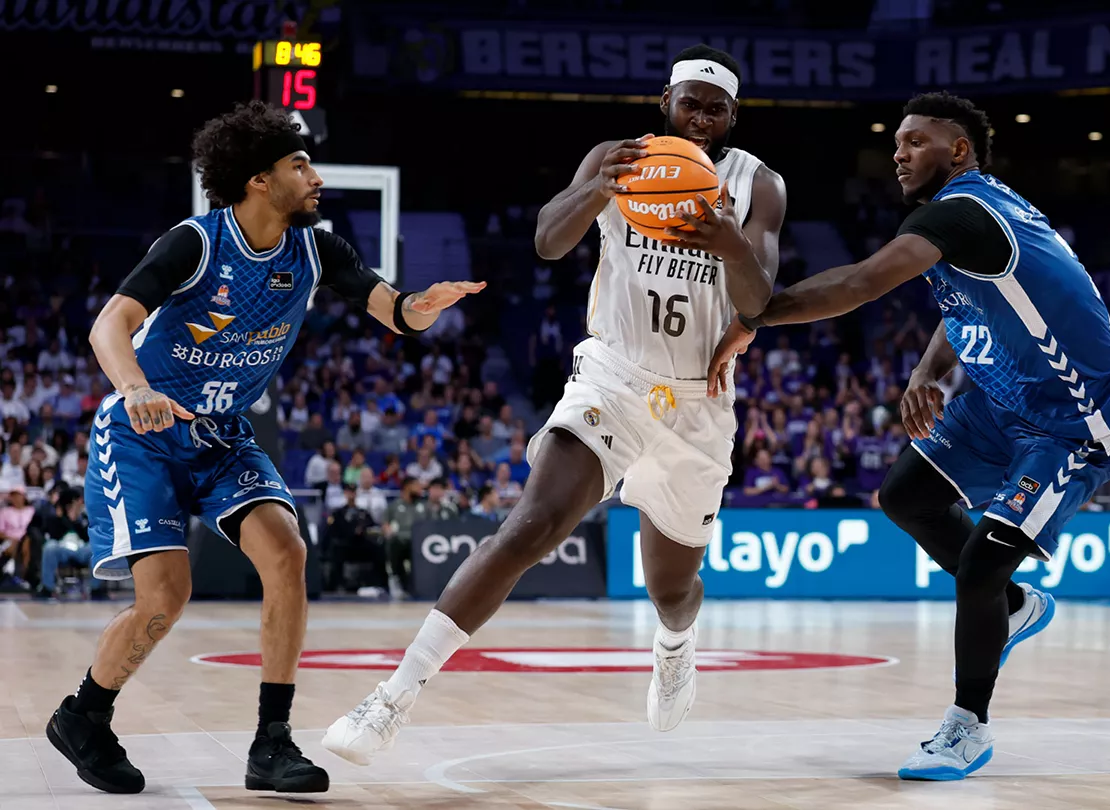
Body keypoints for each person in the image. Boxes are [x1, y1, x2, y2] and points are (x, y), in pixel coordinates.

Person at [323, 43, 788, 764]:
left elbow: (759, 305)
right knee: (529, 527)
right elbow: (546, 241)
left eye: (715, 106)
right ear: (663, 102)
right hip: (615, 378)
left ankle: (674, 646)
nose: (700, 116)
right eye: (689, 101)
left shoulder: (759, 184)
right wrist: (599, 188)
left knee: (672, 588)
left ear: (735, 115)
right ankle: (391, 700)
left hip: (699, 403)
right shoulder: (617, 156)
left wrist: (731, 243)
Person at [46, 100, 483, 796]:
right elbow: (109, 326)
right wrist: (133, 388)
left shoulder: (317, 248)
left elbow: (391, 309)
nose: (314, 176)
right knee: (166, 598)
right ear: (257, 180)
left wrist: (418, 308)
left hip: (222, 435)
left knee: (286, 550)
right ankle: (84, 715)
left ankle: (271, 742)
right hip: (144, 435)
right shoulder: (195, 243)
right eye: (299, 164)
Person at [704, 92, 1110, 781]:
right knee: (905, 495)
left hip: (1075, 421)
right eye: (896, 142)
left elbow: (861, 282)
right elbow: (968, 301)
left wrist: (760, 315)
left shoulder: (966, 210)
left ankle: (967, 727)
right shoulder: (967, 214)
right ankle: (1019, 608)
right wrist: (930, 370)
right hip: (1003, 401)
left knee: (982, 567)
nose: (899, 153)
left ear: (958, 150)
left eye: (915, 141)